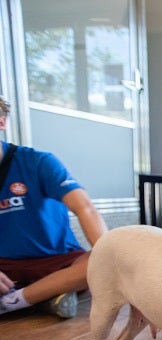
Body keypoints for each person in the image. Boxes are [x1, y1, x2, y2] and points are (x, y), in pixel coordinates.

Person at [0, 96, 108, 318]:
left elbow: (85, 208)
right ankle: (46, 297)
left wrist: (112, 257)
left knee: (99, 263)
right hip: (4, 265)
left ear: (1, 122)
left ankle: (12, 303)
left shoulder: (38, 161)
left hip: (55, 259)